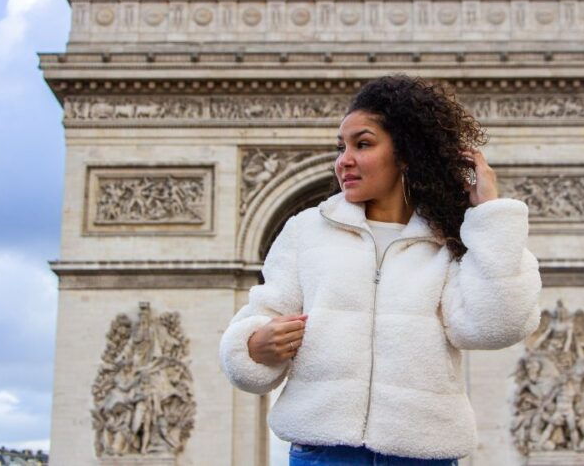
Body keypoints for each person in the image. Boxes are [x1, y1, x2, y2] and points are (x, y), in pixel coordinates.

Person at [219, 75, 542, 465]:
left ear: (406, 152)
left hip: (421, 456)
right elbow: (260, 317)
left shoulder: (451, 239)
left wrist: (490, 214)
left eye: (363, 144)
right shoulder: (306, 231)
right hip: (324, 454)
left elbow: (495, 325)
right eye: (342, 147)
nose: (344, 160)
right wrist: (254, 345)